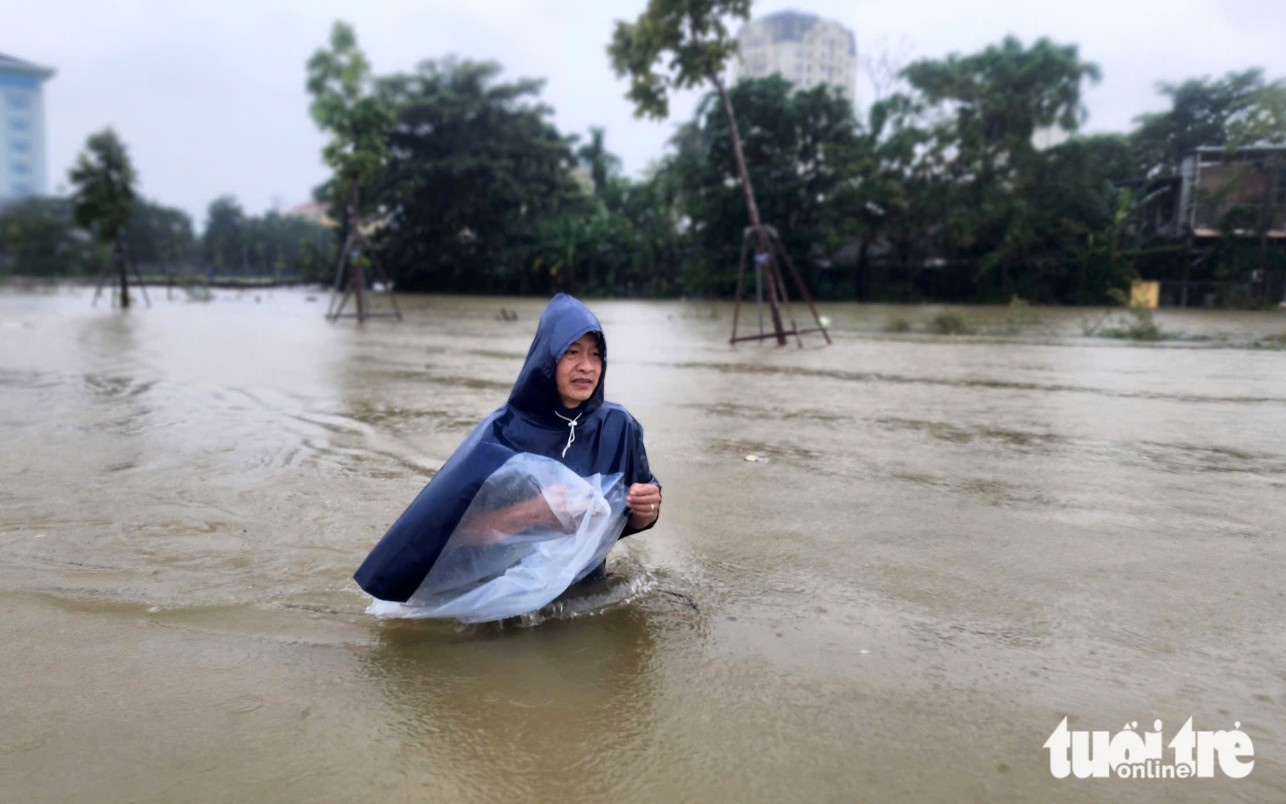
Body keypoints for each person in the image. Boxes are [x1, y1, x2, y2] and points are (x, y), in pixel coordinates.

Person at [353, 293, 661, 606]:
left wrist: (646, 511)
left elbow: (635, 515)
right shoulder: (499, 434)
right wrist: (535, 511)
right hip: (506, 604)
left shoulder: (620, 427)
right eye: (572, 352)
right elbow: (451, 536)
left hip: (584, 598)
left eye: (595, 354)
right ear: (547, 357)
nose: (586, 366)